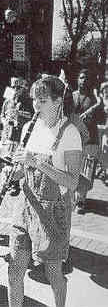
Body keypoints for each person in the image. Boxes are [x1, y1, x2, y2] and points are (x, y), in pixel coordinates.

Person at [7, 76, 82, 307]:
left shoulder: (70, 133)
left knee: (52, 273)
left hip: (53, 211)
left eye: (42, 100)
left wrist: (38, 163)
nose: (35, 106)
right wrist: (13, 172)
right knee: (14, 269)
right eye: (33, 100)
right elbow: (22, 168)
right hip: (25, 205)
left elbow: (72, 183)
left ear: (58, 100)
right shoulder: (30, 127)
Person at [72, 69, 102, 213]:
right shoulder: (71, 96)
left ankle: (80, 201)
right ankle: (74, 196)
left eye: (86, 78)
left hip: (90, 139)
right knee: (74, 169)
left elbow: (102, 118)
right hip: (74, 139)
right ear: (77, 79)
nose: (84, 80)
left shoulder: (95, 99)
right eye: (81, 77)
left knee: (87, 171)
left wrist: (91, 118)